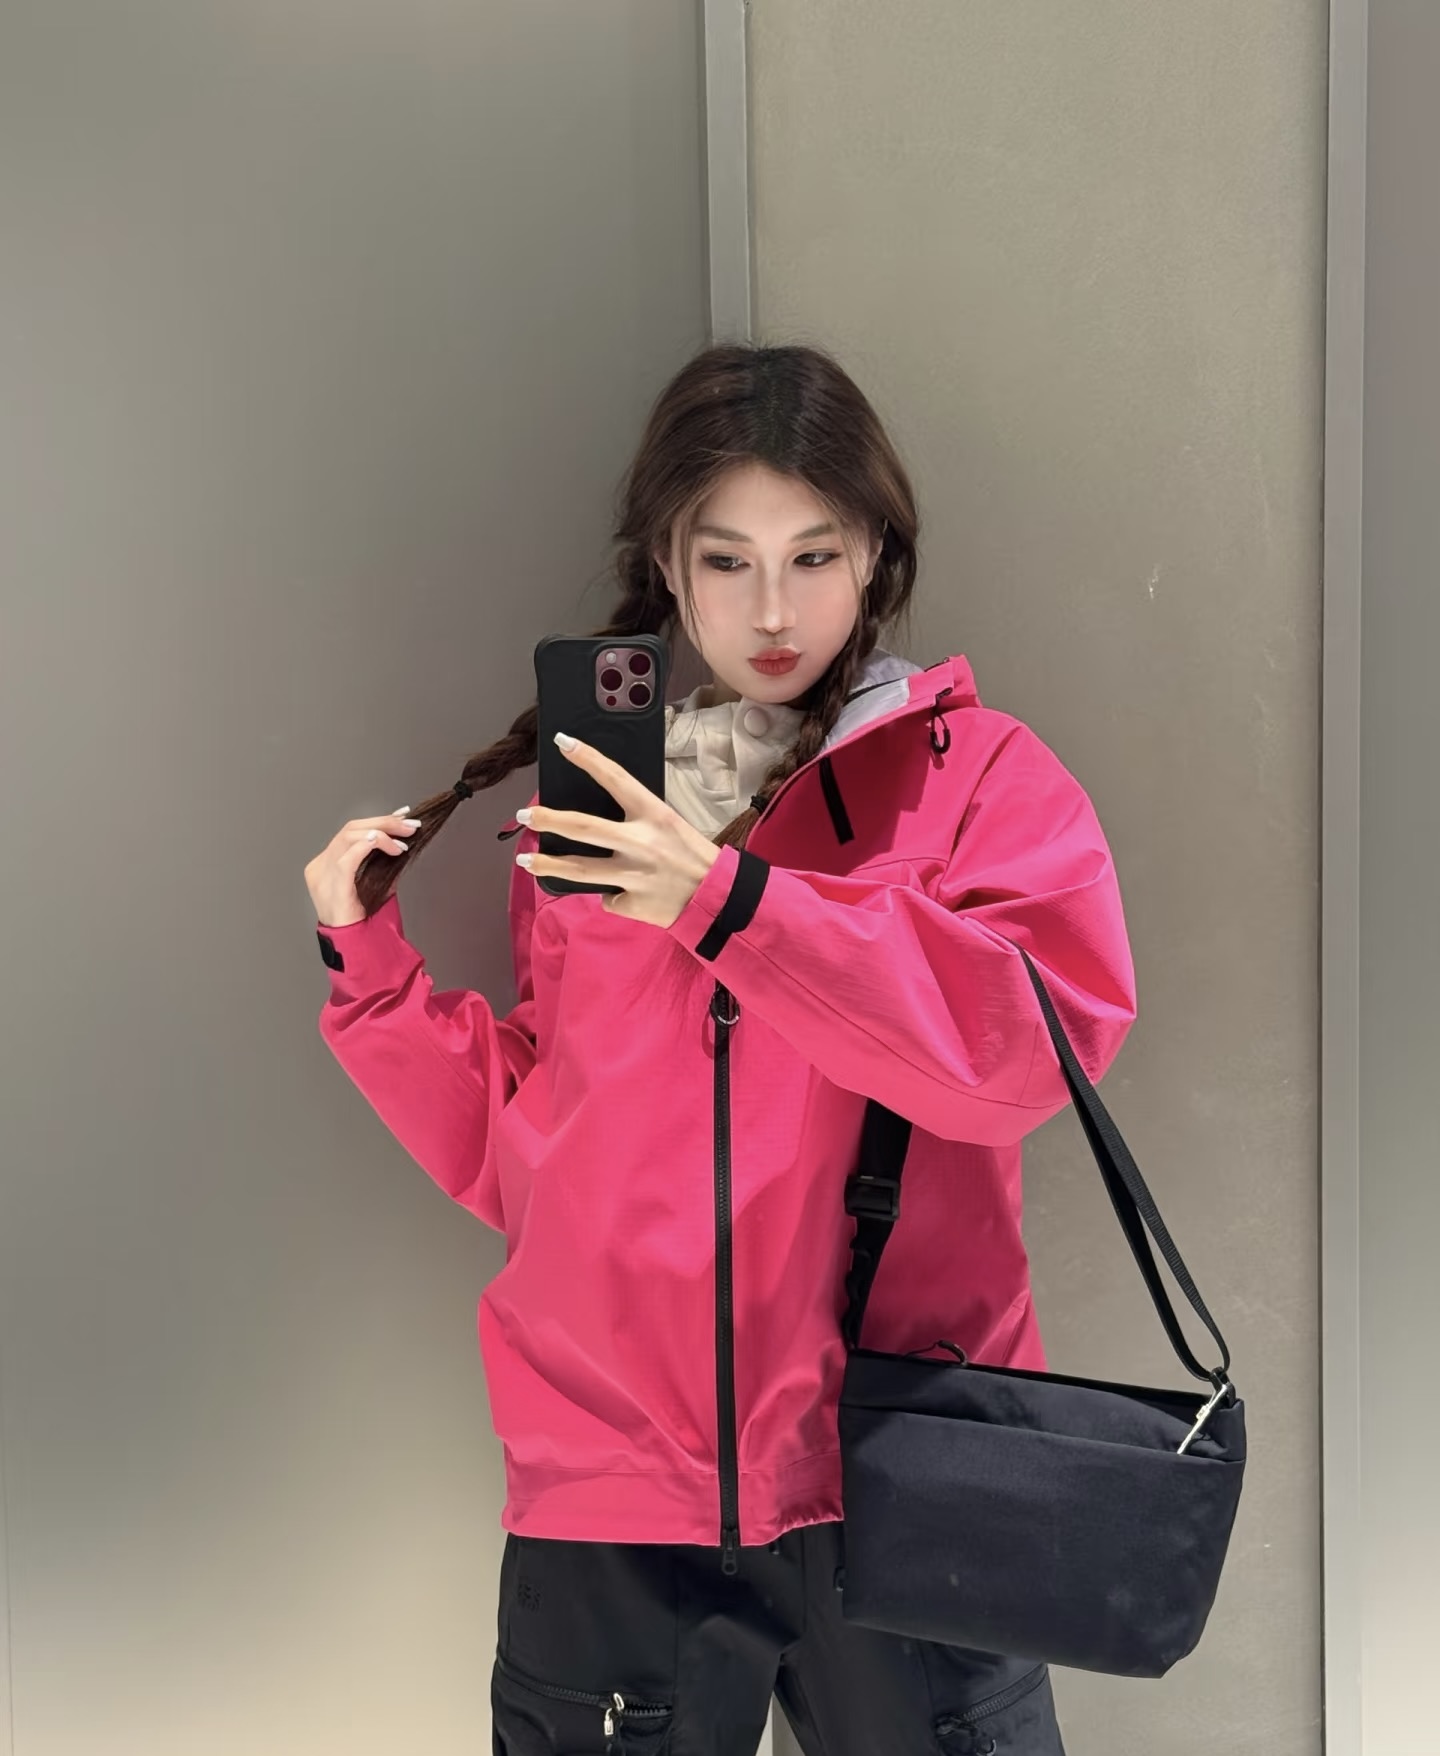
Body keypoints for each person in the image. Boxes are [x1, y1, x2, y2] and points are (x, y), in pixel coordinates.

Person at [304, 343, 1136, 1756]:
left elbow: (1023, 1061)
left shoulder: (981, 781)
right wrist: (371, 973)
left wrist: (730, 902)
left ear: (874, 555)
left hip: (905, 1457)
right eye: (726, 560)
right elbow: (533, 1154)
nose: (772, 610)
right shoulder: (590, 816)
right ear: (668, 569)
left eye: (813, 555)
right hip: (612, 1481)